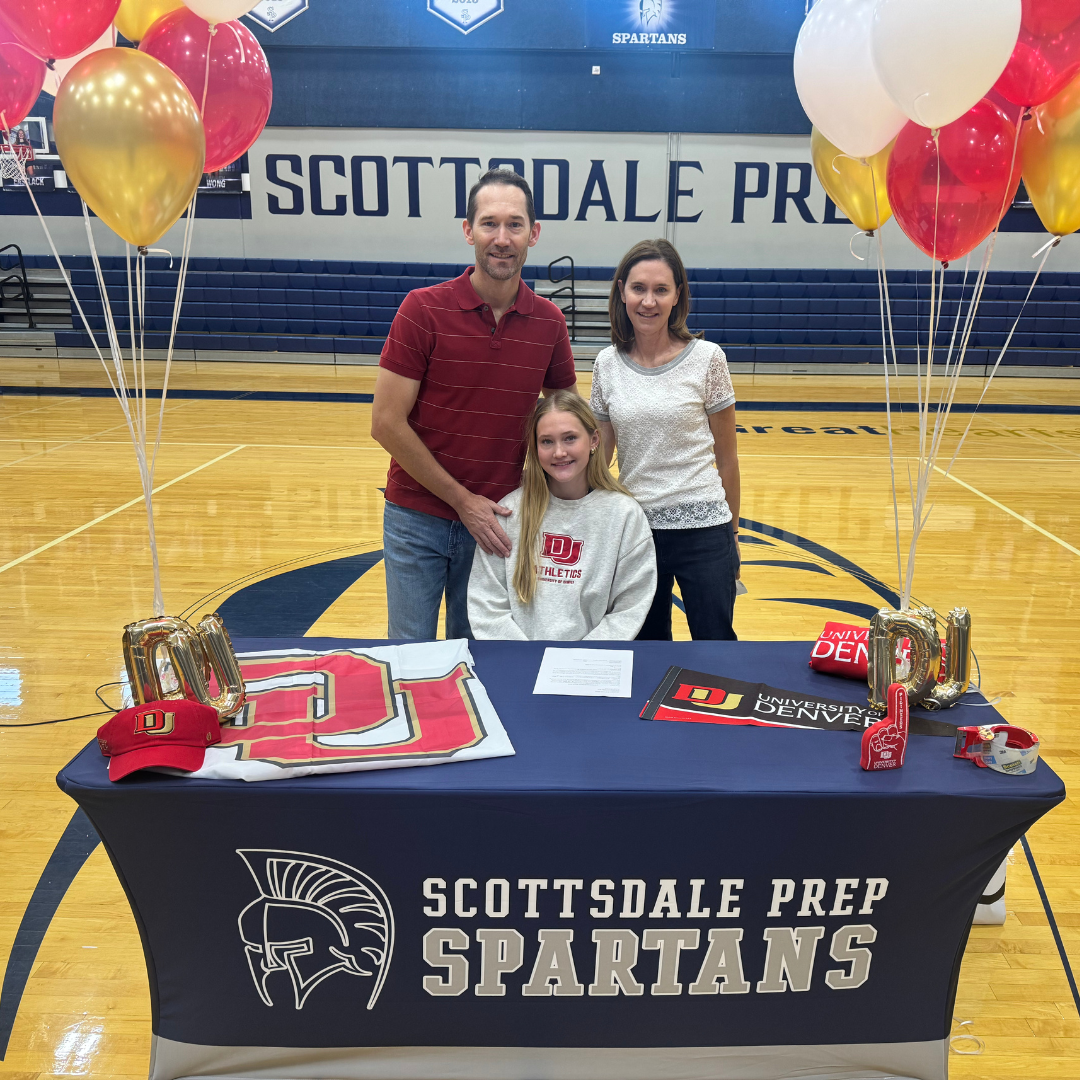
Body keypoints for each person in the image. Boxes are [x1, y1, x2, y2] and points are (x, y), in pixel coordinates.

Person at [371, 169, 577, 640]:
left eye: (515, 224)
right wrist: (463, 502)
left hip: (498, 524)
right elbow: (385, 423)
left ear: (534, 233)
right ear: (468, 231)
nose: (501, 239)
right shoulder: (421, 310)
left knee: (480, 659)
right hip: (416, 518)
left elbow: (567, 421)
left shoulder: (548, 323)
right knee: (411, 657)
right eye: (489, 223)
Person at [590, 239, 741, 641]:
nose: (648, 301)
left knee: (715, 646)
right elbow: (599, 460)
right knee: (646, 649)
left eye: (661, 290)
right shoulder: (606, 364)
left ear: (678, 296)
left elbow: (727, 459)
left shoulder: (708, 358)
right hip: (637, 532)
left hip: (706, 530)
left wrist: (733, 534)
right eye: (639, 288)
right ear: (622, 291)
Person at [468, 391, 656, 640]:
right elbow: (487, 604)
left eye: (569, 438)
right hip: (521, 662)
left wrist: (580, 661)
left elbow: (629, 607)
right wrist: (524, 658)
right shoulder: (510, 512)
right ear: (535, 448)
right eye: (547, 441)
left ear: (594, 440)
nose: (559, 452)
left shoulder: (624, 515)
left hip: (590, 665)